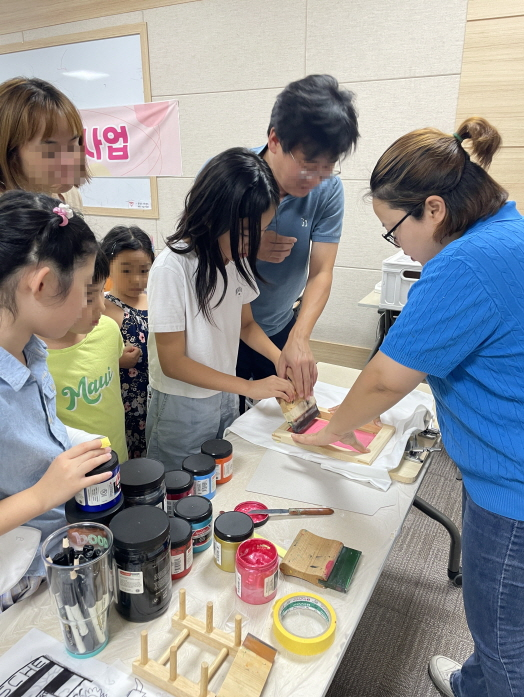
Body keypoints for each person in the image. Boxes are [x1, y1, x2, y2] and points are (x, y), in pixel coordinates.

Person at [293, 117, 524, 697]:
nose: (398, 246)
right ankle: (474, 683)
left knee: (505, 636)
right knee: (502, 621)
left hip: (511, 484)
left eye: (394, 231)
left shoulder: (464, 263)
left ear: (434, 209)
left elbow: (383, 381)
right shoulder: (506, 227)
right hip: (501, 460)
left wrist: (326, 431)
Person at [146, 147, 294, 470]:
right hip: (181, 405)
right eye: (246, 234)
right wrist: (249, 387)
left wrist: (279, 357)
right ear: (213, 215)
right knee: (178, 483)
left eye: (261, 232)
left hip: (224, 392)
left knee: (218, 475)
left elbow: (247, 325)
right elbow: (173, 363)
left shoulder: (236, 259)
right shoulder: (172, 268)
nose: (253, 245)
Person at [0, 191, 112, 609]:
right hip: (17, 578)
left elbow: (34, 432)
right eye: (84, 290)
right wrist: (42, 494)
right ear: (43, 283)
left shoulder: (30, 347)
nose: (89, 305)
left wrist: (77, 443)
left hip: (57, 545)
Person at [236, 74, 359, 405]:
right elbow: (199, 254)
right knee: (224, 419)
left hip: (278, 325)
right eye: (308, 166)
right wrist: (248, 245)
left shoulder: (328, 190)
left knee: (286, 413)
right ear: (275, 139)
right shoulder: (231, 177)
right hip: (221, 330)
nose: (316, 180)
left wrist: (300, 336)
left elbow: (321, 271)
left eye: (327, 168)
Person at [43, 248, 128, 463]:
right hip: (73, 470)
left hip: (119, 455)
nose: (101, 306)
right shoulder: (30, 356)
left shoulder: (108, 329)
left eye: (102, 291)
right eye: (89, 296)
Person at [101, 225, 154, 458]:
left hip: (156, 396)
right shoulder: (102, 307)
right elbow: (87, 355)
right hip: (125, 401)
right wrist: (116, 360)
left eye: (144, 270)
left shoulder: (154, 299)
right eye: (126, 270)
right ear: (108, 266)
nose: (136, 279)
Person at [0, 77, 86, 208]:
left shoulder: (70, 196)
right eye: (50, 148)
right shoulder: (6, 210)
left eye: (73, 142)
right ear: (9, 151)